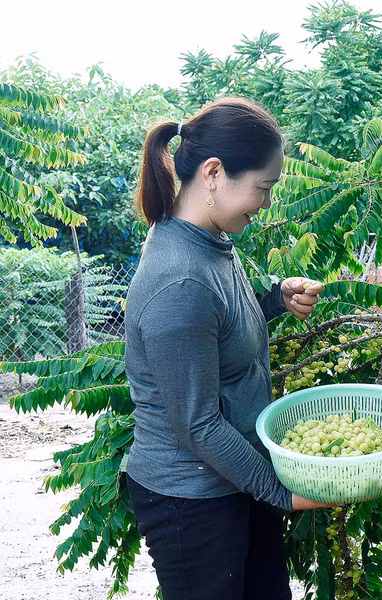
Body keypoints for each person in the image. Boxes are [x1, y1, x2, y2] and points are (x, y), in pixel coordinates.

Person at [124, 97, 332, 600]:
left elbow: (216, 332)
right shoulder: (179, 280)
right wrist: (280, 490)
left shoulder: (209, 241)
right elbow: (197, 423)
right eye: (263, 187)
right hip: (191, 500)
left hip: (235, 474)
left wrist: (274, 300)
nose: (266, 203)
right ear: (214, 173)